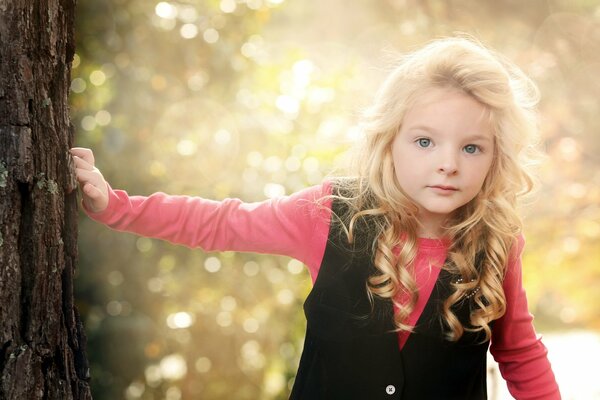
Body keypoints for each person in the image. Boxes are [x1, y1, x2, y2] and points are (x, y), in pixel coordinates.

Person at [71, 37, 561, 399]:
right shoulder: (329, 214)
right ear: (389, 141)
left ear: (496, 158)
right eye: (425, 141)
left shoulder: (497, 242)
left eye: (472, 147)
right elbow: (221, 223)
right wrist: (115, 206)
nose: (448, 163)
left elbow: (519, 352)